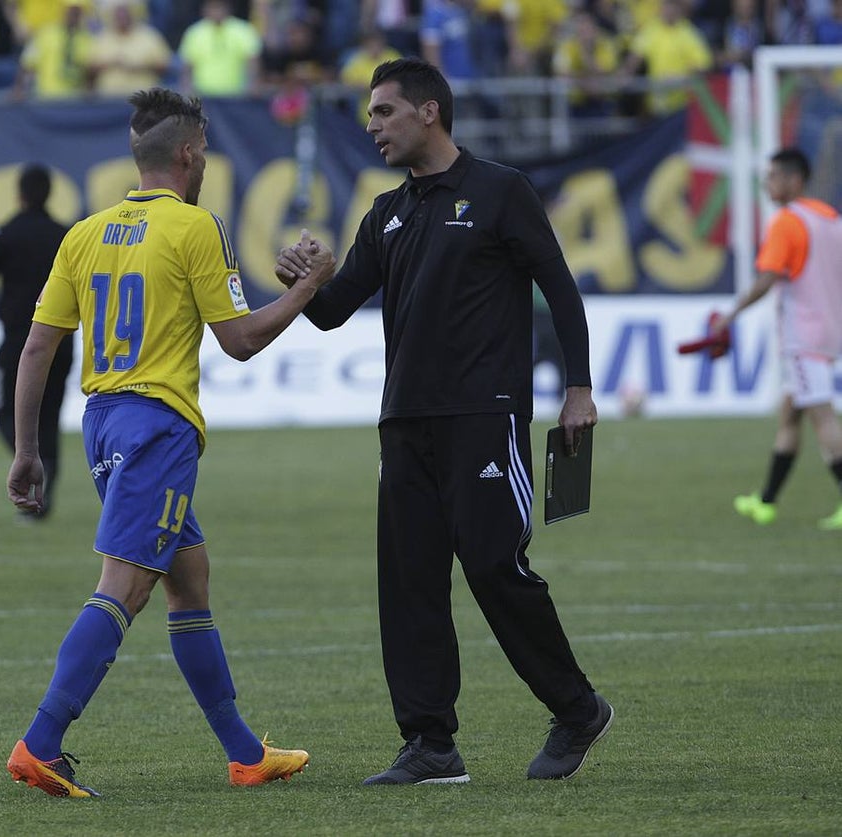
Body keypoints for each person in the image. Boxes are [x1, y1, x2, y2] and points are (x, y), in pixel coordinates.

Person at [275, 57, 612, 785]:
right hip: (404, 422)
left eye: (384, 113)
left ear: (429, 112)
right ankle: (431, 745)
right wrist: (306, 280)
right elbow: (334, 313)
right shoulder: (387, 212)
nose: (372, 128)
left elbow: (559, 283)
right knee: (409, 582)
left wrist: (579, 386)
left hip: (483, 417)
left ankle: (578, 708)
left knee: (495, 566)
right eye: (369, 116)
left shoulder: (500, 191)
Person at [3, 87, 336, 797]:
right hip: (159, 426)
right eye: (207, 152)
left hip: (102, 423)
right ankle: (41, 741)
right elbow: (240, 340)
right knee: (124, 587)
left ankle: (245, 752)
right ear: (189, 155)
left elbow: (36, 349)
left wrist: (26, 449)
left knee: (189, 578)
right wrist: (307, 288)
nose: (207, 162)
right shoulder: (195, 227)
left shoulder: (84, 233)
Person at [713, 148, 842, 531]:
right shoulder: (830, 218)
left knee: (822, 419)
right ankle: (766, 501)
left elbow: (768, 279)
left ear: (792, 180)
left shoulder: (786, 222)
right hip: (830, 330)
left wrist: (730, 315)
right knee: (790, 413)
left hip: (803, 336)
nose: (766, 185)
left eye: (771, 177)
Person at [0, 164, 72, 520]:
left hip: (20, 343)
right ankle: (44, 476)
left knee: (2, 407)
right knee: (49, 414)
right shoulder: (65, 235)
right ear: (50, 194)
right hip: (63, 340)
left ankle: (29, 461)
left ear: (19, 194)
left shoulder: (5, 233)